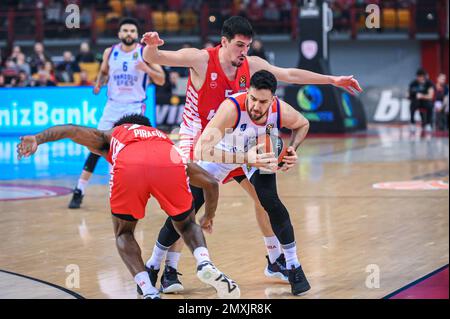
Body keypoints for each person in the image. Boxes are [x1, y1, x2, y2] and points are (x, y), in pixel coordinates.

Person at [141, 16, 362, 293]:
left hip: (236, 137)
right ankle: (168, 268)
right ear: (224, 42)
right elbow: (158, 56)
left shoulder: (252, 65)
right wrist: (150, 47)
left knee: (263, 198)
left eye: (247, 45)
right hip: (198, 136)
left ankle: (274, 260)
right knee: (186, 203)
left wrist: (332, 80)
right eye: (239, 45)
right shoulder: (200, 59)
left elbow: (290, 75)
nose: (244, 51)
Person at [17, 114, 240, 300]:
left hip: (130, 164)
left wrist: (38, 138)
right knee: (187, 224)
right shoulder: (162, 138)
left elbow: (71, 130)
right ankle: (204, 262)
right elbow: (210, 183)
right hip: (169, 160)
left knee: (124, 232)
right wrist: (208, 216)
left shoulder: (113, 134)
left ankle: (148, 290)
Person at [150, 70, 311, 296]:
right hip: (221, 155)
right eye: (252, 98)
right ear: (248, 92)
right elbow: (202, 150)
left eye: (262, 101)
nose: (255, 106)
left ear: (273, 99)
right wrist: (246, 158)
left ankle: (293, 265)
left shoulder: (280, 110)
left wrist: (292, 149)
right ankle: (154, 264)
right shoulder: (231, 108)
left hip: (255, 155)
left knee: (271, 202)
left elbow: (303, 124)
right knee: (186, 208)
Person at [68, 17, 166, 209]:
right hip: (112, 106)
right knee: (96, 145)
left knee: (135, 151)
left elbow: (161, 79)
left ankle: (137, 190)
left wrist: (146, 68)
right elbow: (104, 72)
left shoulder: (144, 52)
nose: (128, 34)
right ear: (119, 33)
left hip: (134, 107)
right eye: (125, 30)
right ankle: (79, 189)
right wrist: (98, 83)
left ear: (136, 35)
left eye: (131, 31)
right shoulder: (110, 52)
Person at [408, 69, 435, 133]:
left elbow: (430, 96)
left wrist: (422, 96)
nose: (419, 78)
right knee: (412, 105)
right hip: (416, 101)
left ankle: (428, 124)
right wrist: (409, 95)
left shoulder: (429, 83)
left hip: (425, 101)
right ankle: (412, 123)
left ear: (424, 76)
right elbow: (408, 93)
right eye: (418, 76)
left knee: (430, 106)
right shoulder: (413, 83)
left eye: (421, 76)